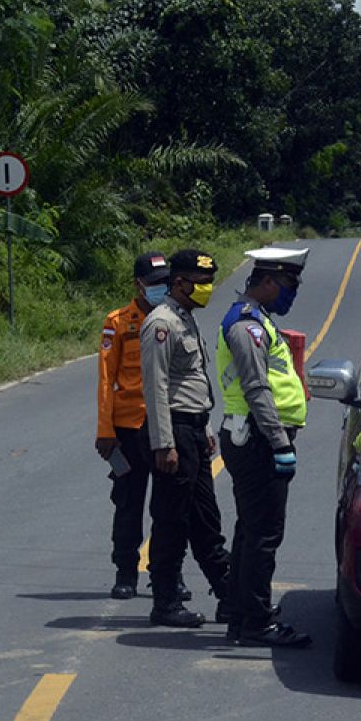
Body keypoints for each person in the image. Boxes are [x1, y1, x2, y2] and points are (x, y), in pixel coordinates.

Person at [216, 247, 312, 647]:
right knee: (264, 534)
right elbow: (256, 388)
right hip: (256, 436)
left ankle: (243, 613)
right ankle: (255, 623)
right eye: (288, 284)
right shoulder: (247, 325)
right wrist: (278, 442)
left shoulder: (259, 321)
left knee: (251, 529)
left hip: (253, 435)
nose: (291, 293)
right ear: (269, 281)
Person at [140, 249, 230, 627]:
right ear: (179, 282)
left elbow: (194, 380)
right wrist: (164, 444)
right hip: (173, 430)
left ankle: (231, 596)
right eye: (201, 282)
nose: (207, 289)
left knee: (206, 517)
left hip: (192, 428)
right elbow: (157, 386)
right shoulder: (160, 324)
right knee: (172, 519)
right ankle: (165, 601)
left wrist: (205, 429)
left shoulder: (185, 319)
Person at [95, 252, 180, 600]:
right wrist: (105, 432)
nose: (161, 288)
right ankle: (125, 572)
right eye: (155, 283)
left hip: (167, 427)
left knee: (170, 505)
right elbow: (105, 379)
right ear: (138, 285)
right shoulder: (118, 322)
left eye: (165, 282)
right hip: (128, 428)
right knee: (128, 503)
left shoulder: (175, 320)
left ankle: (168, 574)